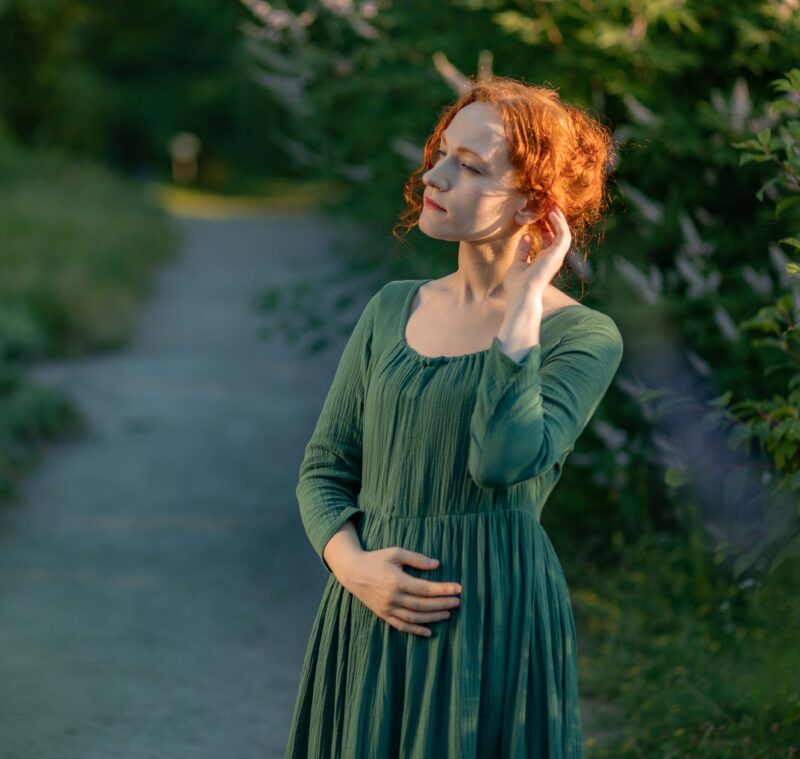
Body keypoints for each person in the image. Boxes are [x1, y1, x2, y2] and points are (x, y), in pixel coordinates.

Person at [284, 75, 624, 758]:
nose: (434, 174)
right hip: (368, 606)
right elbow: (324, 468)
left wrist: (524, 304)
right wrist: (354, 567)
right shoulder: (391, 308)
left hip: (492, 620)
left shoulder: (583, 338)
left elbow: (498, 461)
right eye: (441, 151)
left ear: (535, 202)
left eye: (469, 165)